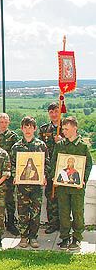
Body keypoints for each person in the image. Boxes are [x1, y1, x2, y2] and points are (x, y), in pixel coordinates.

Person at [51, 116, 93, 250]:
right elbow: (54, 163)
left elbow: (88, 165)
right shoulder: (60, 145)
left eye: (67, 129)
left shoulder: (83, 146)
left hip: (77, 187)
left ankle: (77, 237)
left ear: (75, 128)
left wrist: (83, 179)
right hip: (62, 186)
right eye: (63, 129)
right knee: (63, 212)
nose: (64, 131)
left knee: (77, 212)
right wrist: (55, 177)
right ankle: (64, 237)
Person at [11, 116, 49, 249]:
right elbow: (12, 165)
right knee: (22, 211)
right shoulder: (16, 147)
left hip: (36, 186)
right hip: (21, 186)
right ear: (21, 129)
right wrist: (15, 176)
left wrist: (44, 175)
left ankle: (33, 236)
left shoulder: (41, 145)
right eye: (25, 127)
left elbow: (47, 164)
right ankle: (23, 236)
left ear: (35, 129)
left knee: (35, 212)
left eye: (30, 127)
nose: (28, 130)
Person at [39, 102, 64, 234]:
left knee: (64, 197)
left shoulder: (66, 127)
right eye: (51, 112)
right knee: (50, 196)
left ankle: (64, 223)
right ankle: (53, 223)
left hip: (64, 168)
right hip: (50, 168)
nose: (54, 114)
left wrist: (62, 141)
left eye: (56, 111)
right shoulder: (44, 129)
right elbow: (39, 148)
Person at [0, 112, 20, 236]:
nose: (3, 124)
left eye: (5, 122)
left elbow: (16, 155)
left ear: (8, 123)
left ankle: (11, 222)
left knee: (10, 199)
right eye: (1, 122)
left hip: (9, 172)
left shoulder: (13, 136)